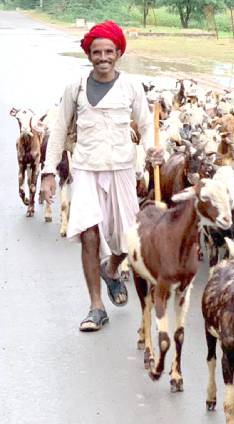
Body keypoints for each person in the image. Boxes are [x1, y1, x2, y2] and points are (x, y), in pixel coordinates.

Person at [41, 20, 163, 332]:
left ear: (118, 53)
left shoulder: (131, 87)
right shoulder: (76, 87)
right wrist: (48, 171)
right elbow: (58, 132)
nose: (103, 57)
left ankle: (111, 269)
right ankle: (96, 307)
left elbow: (147, 125)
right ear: (89, 55)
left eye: (109, 51)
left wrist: (150, 150)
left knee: (127, 239)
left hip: (121, 168)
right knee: (89, 233)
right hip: (85, 168)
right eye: (97, 52)